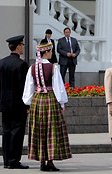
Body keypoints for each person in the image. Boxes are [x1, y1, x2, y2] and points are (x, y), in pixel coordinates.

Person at [22, 41, 72, 171]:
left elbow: (29, 88)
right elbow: (58, 87)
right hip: (50, 99)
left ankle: (42, 162)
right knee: (51, 130)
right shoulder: (53, 67)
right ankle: (50, 161)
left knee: (39, 130)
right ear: (46, 52)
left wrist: (28, 103)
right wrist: (61, 103)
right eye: (50, 51)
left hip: (37, 100)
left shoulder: (32, 68)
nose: (51, 53)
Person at [0, 35, 29, 169]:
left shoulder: (1, 62)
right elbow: (24, 87)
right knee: (17, 132)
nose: (22, 47)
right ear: (18, 46)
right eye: (22, 45)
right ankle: (14, 160)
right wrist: (27, 104)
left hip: (5, 103)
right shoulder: (22, 64)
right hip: (18, 104)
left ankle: (6, 160)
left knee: (6, 131)